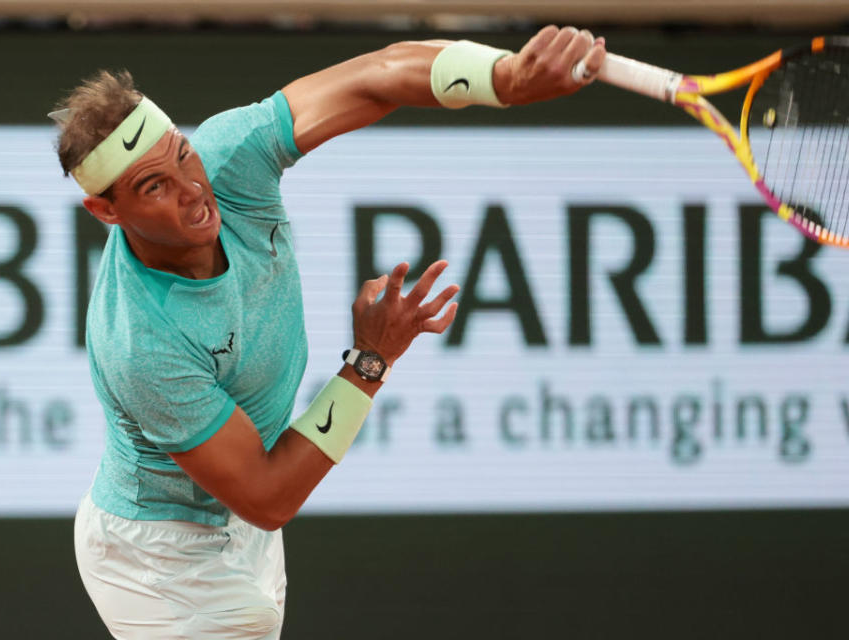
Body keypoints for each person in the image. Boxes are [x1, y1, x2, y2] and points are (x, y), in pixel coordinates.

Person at [57, 25, 606, 639]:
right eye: (152, 187)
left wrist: (505, 80)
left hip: (243, 532)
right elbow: (268, 497)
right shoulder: (142, 343)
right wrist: (370, 360)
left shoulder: (228, 158)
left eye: (181, 154)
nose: (192, 192)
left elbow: (377, 74)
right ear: (106, 211)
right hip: (158, 561)